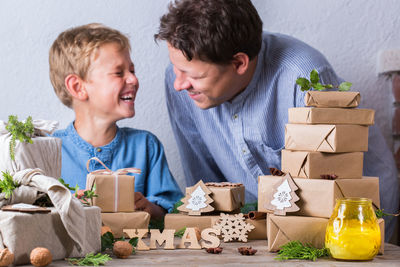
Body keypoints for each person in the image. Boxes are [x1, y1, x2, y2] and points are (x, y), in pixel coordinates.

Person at [155, 0, 399, 240]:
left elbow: (330, 188)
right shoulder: (180, 79)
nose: (179, 83)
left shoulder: (303, 78)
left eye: (193, 75)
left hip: (350, 216)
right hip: (262, 222)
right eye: (176, 69)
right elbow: (202, 173)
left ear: (239, 62)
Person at [49, 23, 183, 219]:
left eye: (132, 71)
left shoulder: (146, 146)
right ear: (78, 87)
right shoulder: (49, 151)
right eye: (119, 73)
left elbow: (172, 210)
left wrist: (148, 208)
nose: (133, 80)